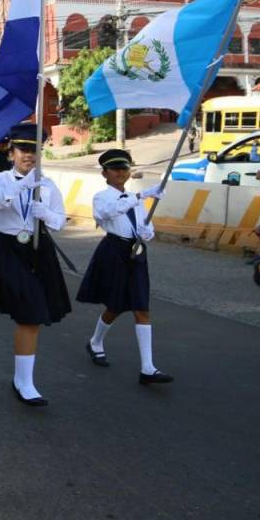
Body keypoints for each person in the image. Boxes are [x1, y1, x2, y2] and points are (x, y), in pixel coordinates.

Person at [0, 123, 71, 407]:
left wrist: (46, 215)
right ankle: (25, 383)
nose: (29, 155)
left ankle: (22, 379)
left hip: (38, 249)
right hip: (8, 250)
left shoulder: (48, 184)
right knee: (30, 313)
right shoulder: (0, 180)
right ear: (11, 152)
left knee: (33, 315)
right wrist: (19, 188)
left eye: (34, 150)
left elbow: (60, 220)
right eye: (23, 149)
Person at [76, 149, 173, 385]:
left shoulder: (134, 198)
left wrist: (146, 232)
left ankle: (148, 368)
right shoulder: (102, 197)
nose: (120, 172)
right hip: (113, 252)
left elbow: (143, 224)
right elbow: (108, 212)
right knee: (116, 305)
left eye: (124, 168)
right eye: (115, 169)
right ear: (104, 173)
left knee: (141, 307)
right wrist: (140, 196)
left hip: (136, 252)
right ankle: (95, 342)